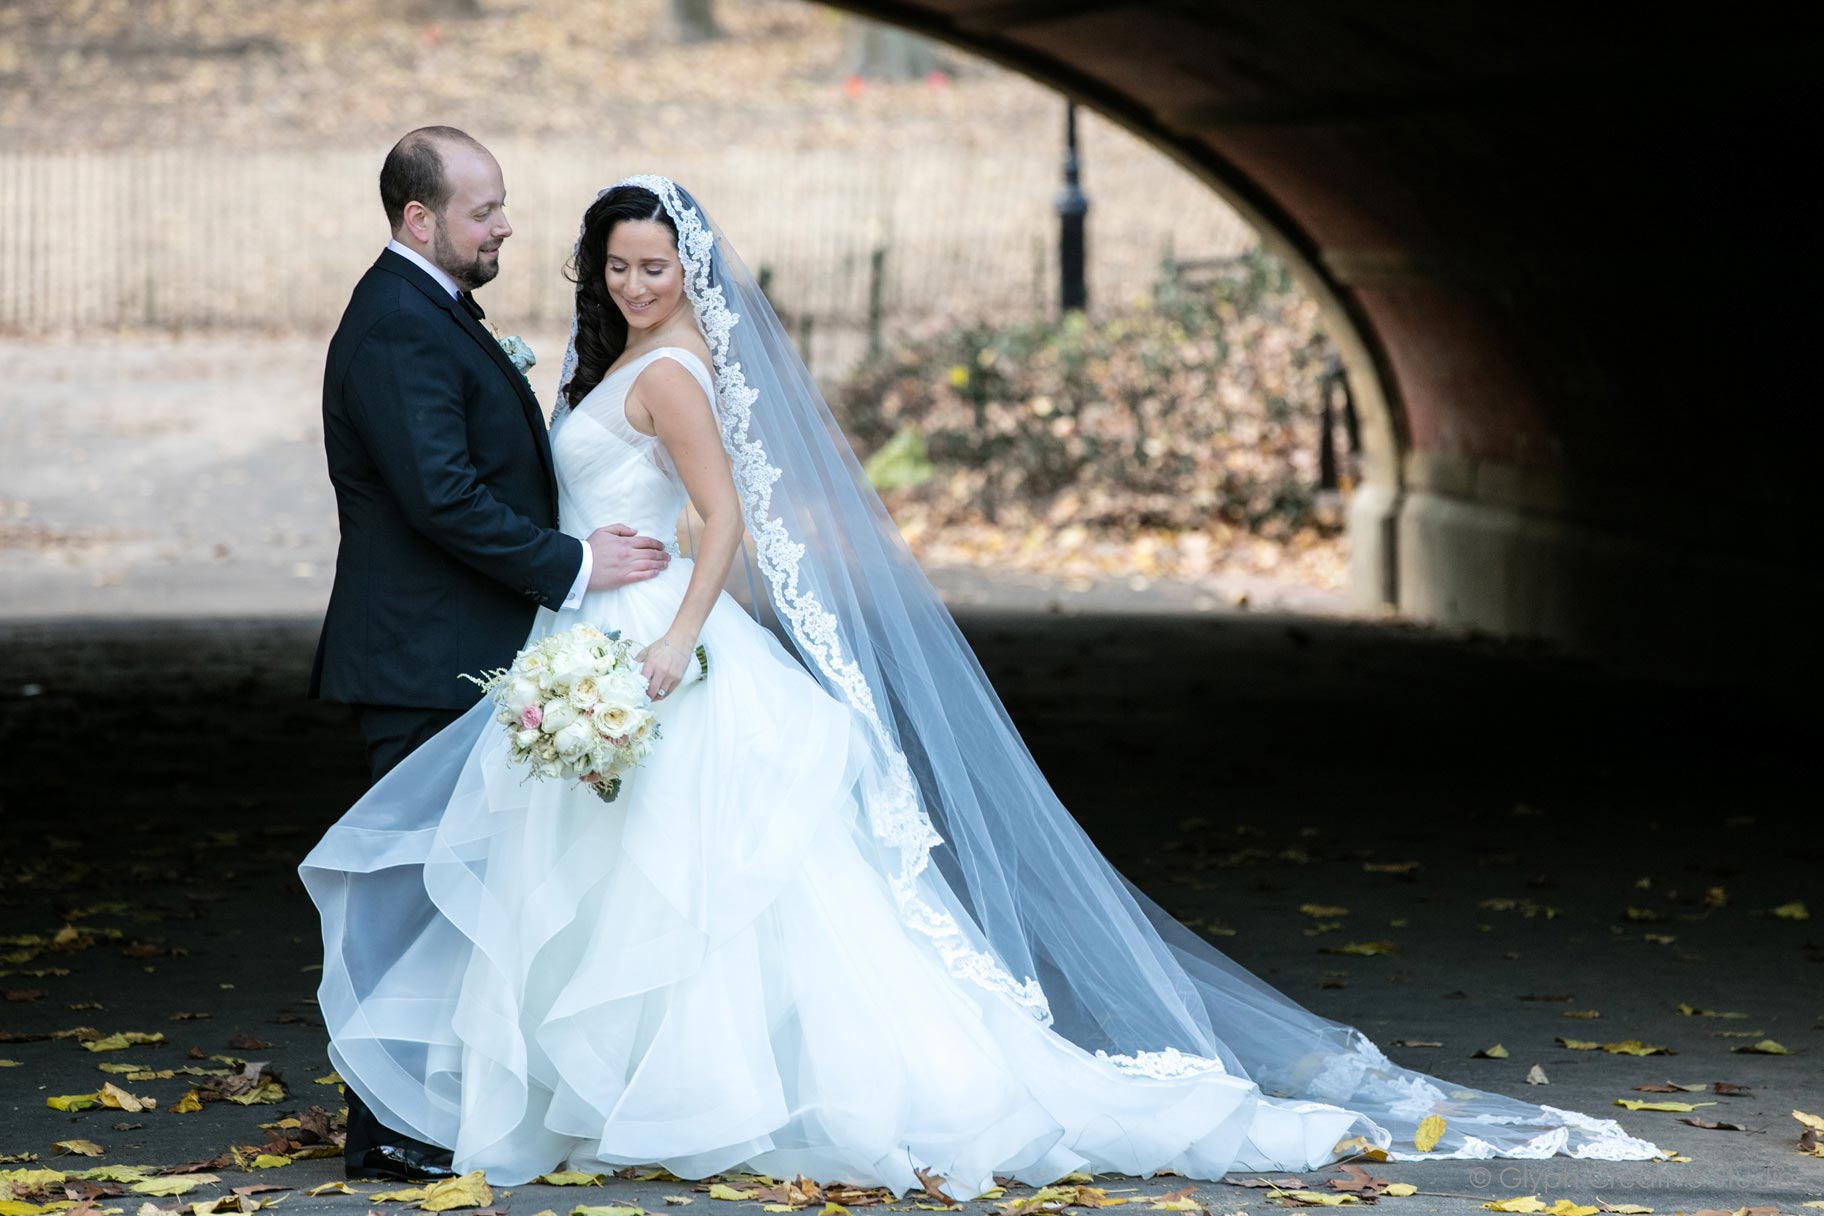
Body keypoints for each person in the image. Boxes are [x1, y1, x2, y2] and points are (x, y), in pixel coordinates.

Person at [301, 177, 1660, 1193]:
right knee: (621, 878)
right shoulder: (613, 362)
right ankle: (612, 1094)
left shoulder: (672, 375)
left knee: (713, 885)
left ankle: (713, 1095)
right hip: (600, 626)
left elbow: (725, 523)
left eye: (658, 265)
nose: (639, 282)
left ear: (687, 271)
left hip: (660, 639)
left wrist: (673, 642)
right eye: (619, 265)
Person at [309, 129, 673, 1180]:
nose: (506, 226)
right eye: (485, 211)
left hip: (450, 649)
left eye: (502, 205)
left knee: (453, 894)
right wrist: (575, 563)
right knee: (410, 898)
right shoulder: (398, 324)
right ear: (420, 218)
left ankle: (431, 1109)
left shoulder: (429, 309)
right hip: (421, 657)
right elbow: (441, 496)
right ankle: (385, 1128)